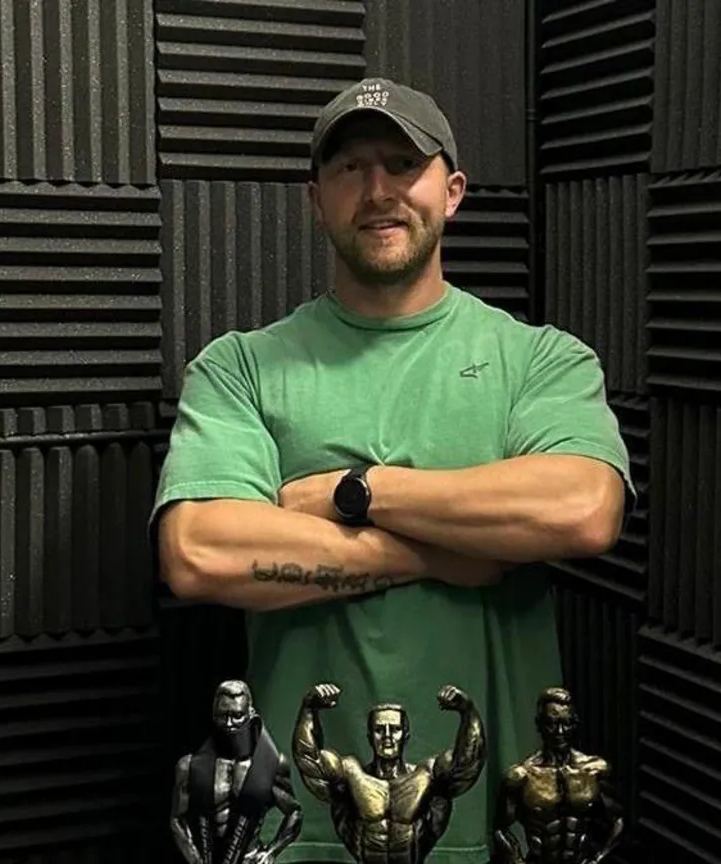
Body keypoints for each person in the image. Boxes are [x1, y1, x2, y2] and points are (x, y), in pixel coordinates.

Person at [152, 76, 634, 863]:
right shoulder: (240, 367)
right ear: (317, 200)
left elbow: (583, 509)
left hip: (499, 822)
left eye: (401, 164)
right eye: (350, 169)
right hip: (301, 831)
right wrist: (442, 551)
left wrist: (357, 494)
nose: (377, 191)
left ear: (452, 191)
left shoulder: (539, 360)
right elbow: (200, 552)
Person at [291, 682, 486, 863]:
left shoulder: (427, 776)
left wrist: (468, 712)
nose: (387, 736)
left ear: (405, 735)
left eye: (394, 729)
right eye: (379, 729)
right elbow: (309, 761)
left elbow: (468, 764)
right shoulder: (351, 775)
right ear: (369, 736)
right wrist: (309, 710)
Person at [170, 680, 304, 864]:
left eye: (237, 715)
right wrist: (194, 859)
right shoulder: (189, 766)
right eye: (222, 715)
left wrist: (271, 852)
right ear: (213, 714)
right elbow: (177, 819)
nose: (229, 723)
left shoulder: (272, 765)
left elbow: (294, 812)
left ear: (250, 714)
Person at [490, 687, 624, 864]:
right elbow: (500, 829)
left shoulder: (594, 770)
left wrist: (598, 859)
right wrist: (517, 861)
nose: (559, 731)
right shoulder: (521, 776)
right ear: (540, 724)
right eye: (551, 723)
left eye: (566, 723)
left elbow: (618, 821)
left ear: (575, 724)